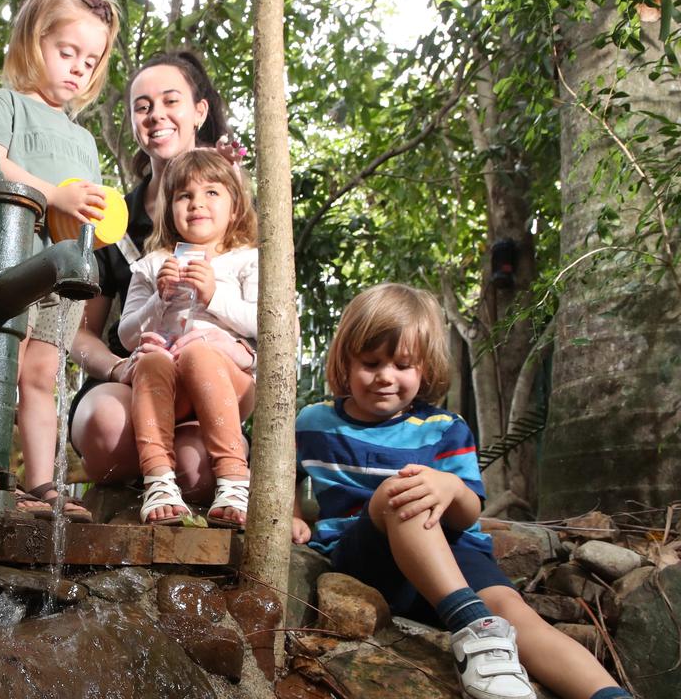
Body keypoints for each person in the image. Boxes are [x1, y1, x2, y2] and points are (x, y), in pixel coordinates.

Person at [292, 283, 630, 699]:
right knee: (405, 491)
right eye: (371, 362)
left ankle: (609, 693)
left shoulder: (445, 428)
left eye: (402, 364)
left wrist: (450, 485)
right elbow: (286, 476)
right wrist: (294, 515)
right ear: (345, 360)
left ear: (424, 369)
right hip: (368, 555)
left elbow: (468, 514)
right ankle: (471, 626)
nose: (385, 376)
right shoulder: (314, 422)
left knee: (512, 612)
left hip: (450, 550)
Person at [0, 0, 120, 522]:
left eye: (90, 59)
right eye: (66, 51)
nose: (78, 67)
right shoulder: (4, 104)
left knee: (42, 375)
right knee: (1, 362)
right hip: (12, 261)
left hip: (65, 269)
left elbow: (91, 206)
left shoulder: (82, 139)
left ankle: (41, 483)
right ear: (35, 41)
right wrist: (53, 194)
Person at [69, 50, 247, 515]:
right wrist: (116, 367)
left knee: (198, 470)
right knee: (105, 430)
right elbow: (79, 332)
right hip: (139, 376)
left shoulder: (236, 210)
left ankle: (184, 475)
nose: (156, 115)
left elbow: (269, 318)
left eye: (171, 101)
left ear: (199, 111)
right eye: (142, 106)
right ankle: (149, 477)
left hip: (211, 380)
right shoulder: (116, 221)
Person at [118, 150, 258, 527]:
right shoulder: (152, 264)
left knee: (201, 354)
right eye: (184, 196)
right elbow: (127, 333)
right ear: (170, 210)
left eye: (212, 193)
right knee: (150, 360)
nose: (197, 203)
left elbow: (267, 324)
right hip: (170, 390)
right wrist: (156, 301)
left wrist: (215, 296)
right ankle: (159, 480)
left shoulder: (247, 260)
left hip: (229, 384)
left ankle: (233, 480)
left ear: (235, 208)